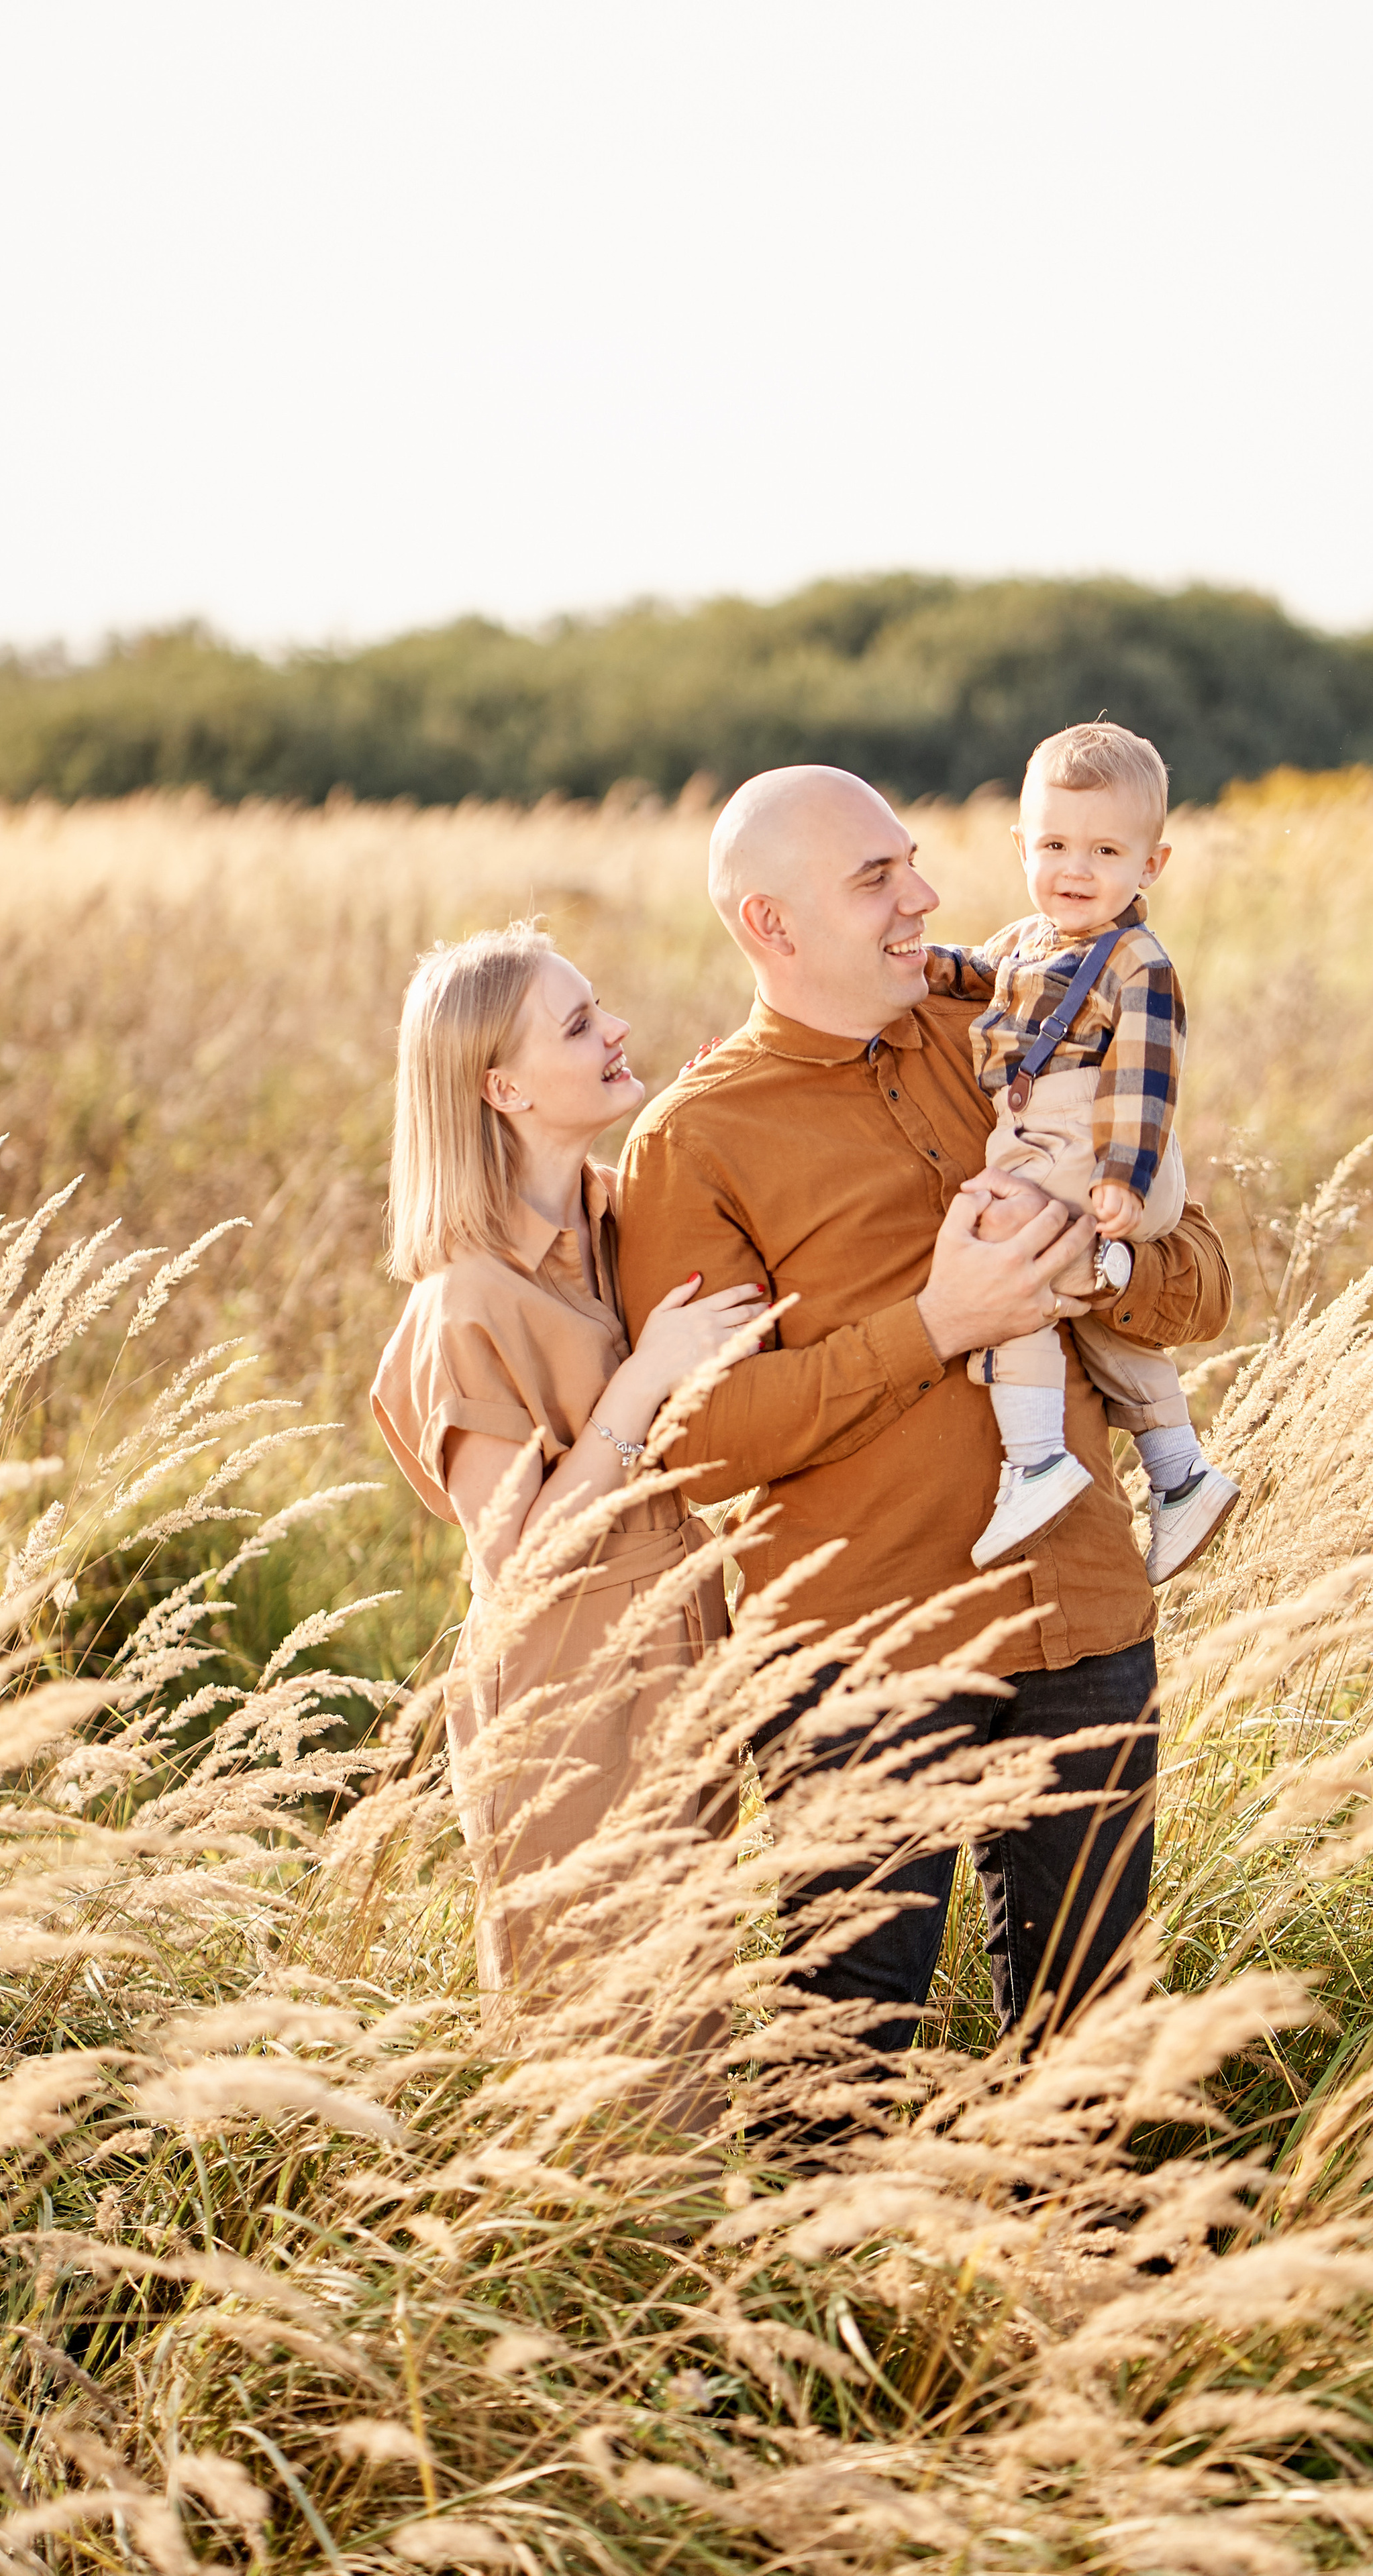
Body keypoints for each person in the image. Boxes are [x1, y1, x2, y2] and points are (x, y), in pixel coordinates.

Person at [616, 768, 1233, 2065]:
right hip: (861, 1661)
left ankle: (1086, 2270)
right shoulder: (699, 1135)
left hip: (1086, 1631)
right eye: (877, 879)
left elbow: (1214, 1281)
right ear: (770, 925)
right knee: (833, 2081)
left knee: (1092, 2063)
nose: (928, 896)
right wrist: (937, 1325)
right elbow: (701, 1439)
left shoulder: (1009, 1034)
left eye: (913, 863)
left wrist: (1109, 1271)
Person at [370, 921, 762, 2024]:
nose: (617, 1029)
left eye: (603, 1010)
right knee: (602, 2053)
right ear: (503, 1087)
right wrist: (642, 1388)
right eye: (579, 1024)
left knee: (694, 2022)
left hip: (685, 1660)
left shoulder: (621, 1214)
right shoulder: (467, 1302)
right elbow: (523, 1560)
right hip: (565, 1700)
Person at [925, 720, 1240, 1581]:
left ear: (1150, 866)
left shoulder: (1137, 959)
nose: (1075, 869)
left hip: (1089, 1136)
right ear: (1021, 845)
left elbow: (1147, 1077)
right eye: (1056, 844)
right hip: (1053, 1132)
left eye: (1105, 850)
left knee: (1011, 1258)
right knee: (1099, 1324)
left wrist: (1120, 1180)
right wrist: (924, 966)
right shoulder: (1028, 938)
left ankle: (1034, 1462)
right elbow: (977, 971)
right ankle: (1180, 1476)